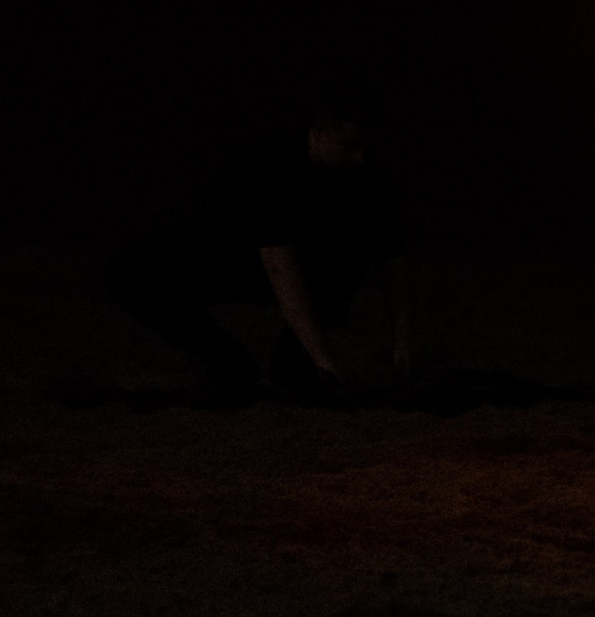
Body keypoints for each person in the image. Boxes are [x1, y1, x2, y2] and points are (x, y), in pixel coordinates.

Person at [105, 103, 421, 403]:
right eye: (348, 145)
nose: (359, 157)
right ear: (320, 131)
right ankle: (224, 356)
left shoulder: (368, 176)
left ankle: (291, 366)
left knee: (348, 259)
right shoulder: (274, 163)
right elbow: (279, 266)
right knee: (127, 276)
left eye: (365, 146)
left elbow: (392, 255)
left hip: (311, 263)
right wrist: (323, 358)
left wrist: (403, 333)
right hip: (228, 256)